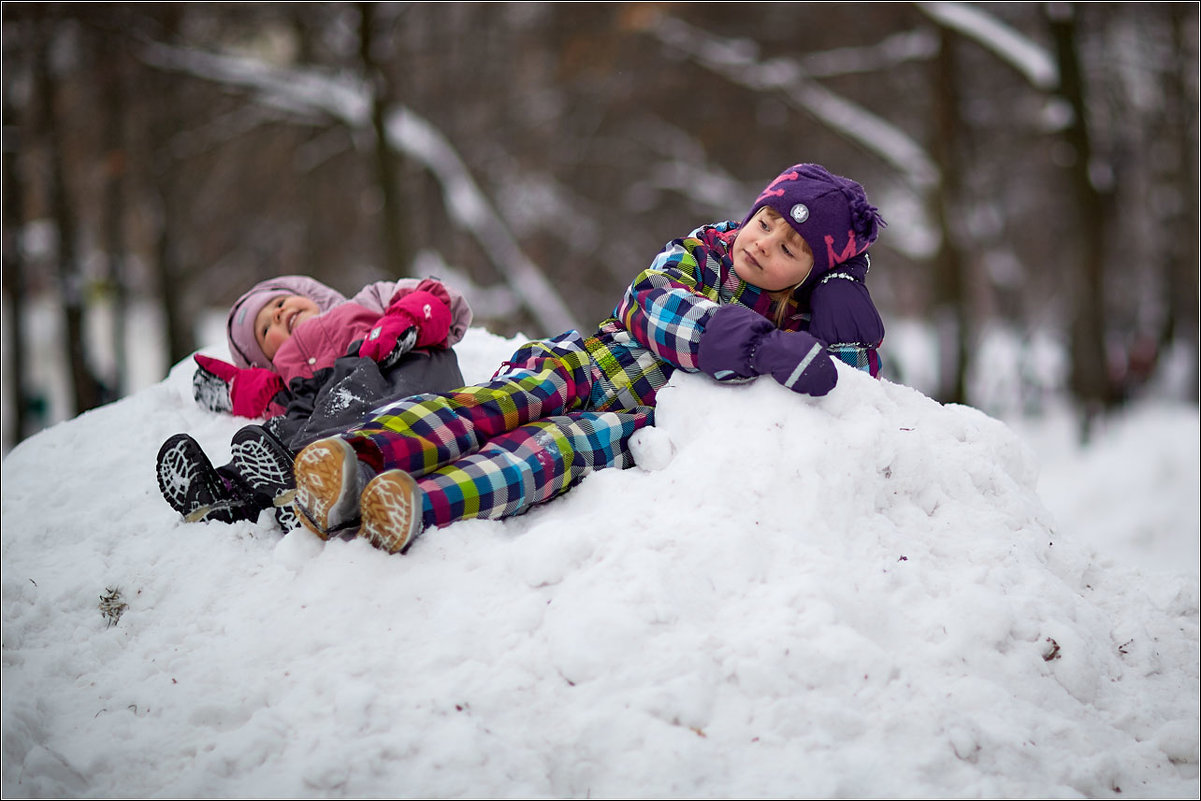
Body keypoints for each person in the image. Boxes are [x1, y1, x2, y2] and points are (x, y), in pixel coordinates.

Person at [291, 162, 886, 555]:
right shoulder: (704, 253)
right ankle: (361, 455)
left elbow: (843, 398)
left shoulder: (803, 318)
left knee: (545, 455)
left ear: (815, 273)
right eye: (764, 222)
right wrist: (755, 347)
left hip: (637, 424)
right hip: (590, 364)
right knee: (495, 407)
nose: (761, 244)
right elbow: (651, 306)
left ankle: (416, 505)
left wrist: (843, 310)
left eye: (789, 249)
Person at [155, 273, 473, 529]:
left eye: (279, 302)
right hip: (339, 408)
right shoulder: (287, 371)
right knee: (285, 427)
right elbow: (264, 393)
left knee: (334, 405)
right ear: (265, 358)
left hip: (405, 369)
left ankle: (306, 477)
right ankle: (228, 492)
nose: (279, 314)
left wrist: (403, 323)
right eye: (266, 329)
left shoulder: (368, 301)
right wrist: (231, 389)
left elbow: (439, 297)